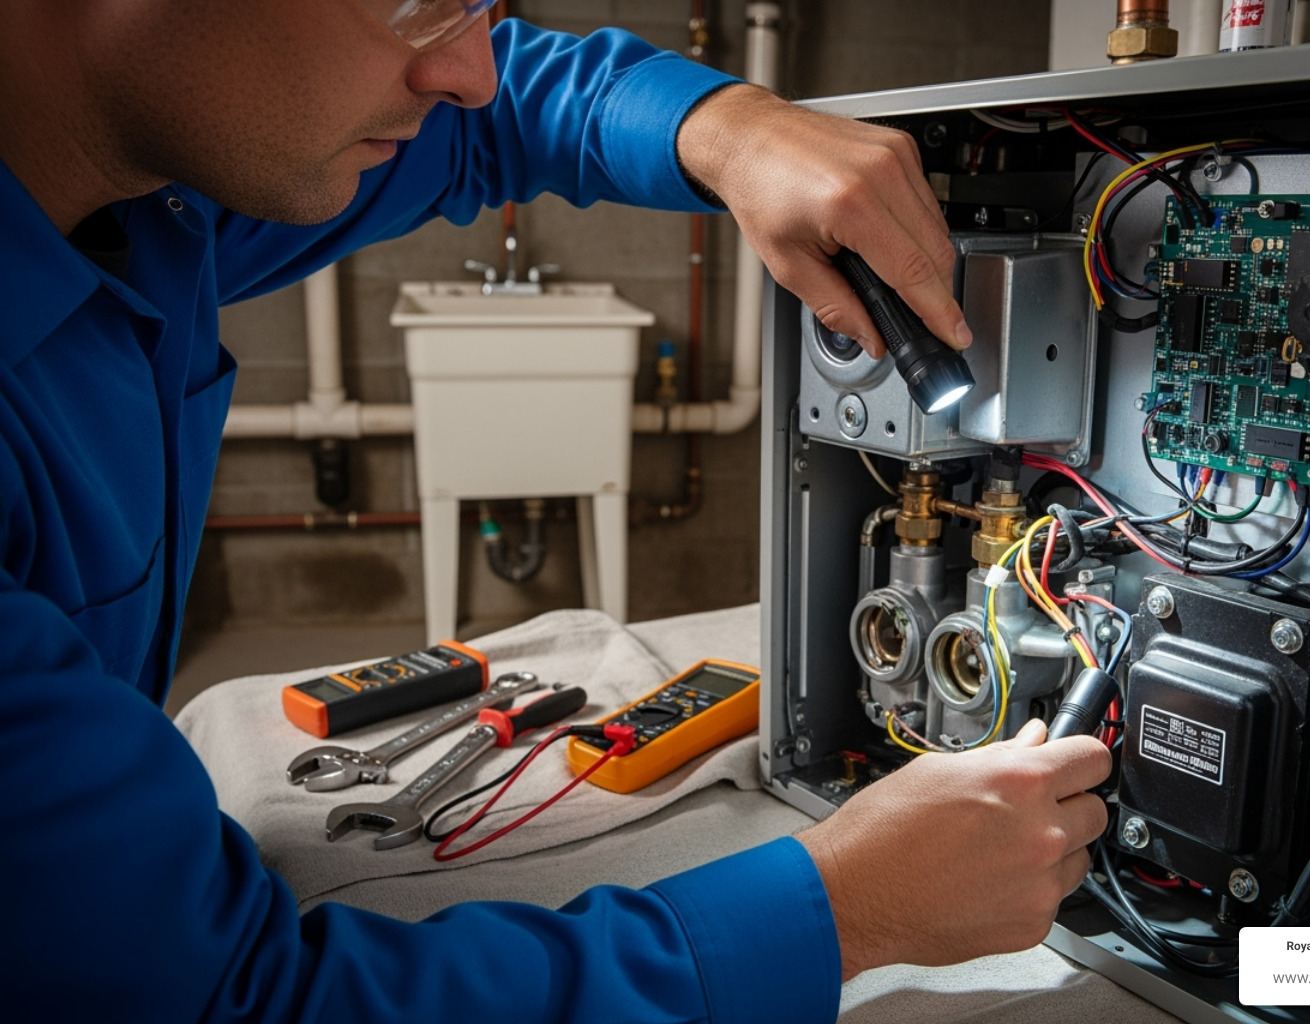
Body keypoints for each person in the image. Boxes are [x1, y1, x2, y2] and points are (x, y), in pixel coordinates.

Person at [0, 2, 1111, 1021]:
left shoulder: (147, 202)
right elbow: (224, 1005)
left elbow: (509, 116)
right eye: (417, 1)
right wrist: (846, 911)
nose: (470, 69)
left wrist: (727, 124)